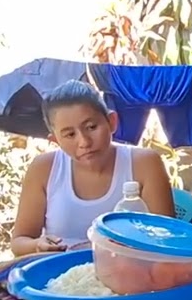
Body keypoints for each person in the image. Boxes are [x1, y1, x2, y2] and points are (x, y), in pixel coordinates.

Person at [11, 79, 176, 256]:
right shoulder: (44, 169)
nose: (84, 142)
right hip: (62, 276)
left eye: (91, 127)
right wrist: (38, 245)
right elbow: (20, 241)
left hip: (131, 273)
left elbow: (165, 240)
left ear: (112, 122)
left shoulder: (144, 164)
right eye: (70, 134)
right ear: (55, 140)